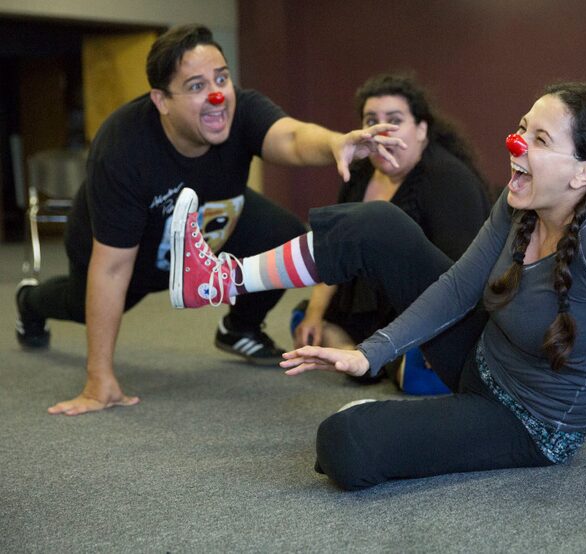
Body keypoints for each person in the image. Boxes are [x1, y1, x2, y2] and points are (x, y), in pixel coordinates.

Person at [169, 82, 586, 520]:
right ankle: (217, 282)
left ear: (585, 172)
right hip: (480, 355)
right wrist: (371, 353)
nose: (517, 146)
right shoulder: (520, 197)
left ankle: (411, 409)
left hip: (528, 424)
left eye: (539, 141)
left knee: (345, 443)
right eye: (521, 129)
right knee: (377, 226)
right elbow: (458, 287)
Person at [14, 24, 404, 416]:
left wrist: (335, 142)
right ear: (161, 100)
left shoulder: (243, 111)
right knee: (85, 306)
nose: (218, 96)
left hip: (209, 222)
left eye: (222, 78)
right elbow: (112, 269)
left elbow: (292, 138)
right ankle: (29, 302)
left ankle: (239, 328)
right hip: (121, 247)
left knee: (281, 233)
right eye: (197, 86)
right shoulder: (122, 147)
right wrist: (99, 380)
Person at [291, 73, 490, 370]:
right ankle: (360, 354)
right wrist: (315, 313)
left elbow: (460, 276)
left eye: (394, 120)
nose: (381, 131)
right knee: (302, 319)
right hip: (363, 298)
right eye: (371, 121)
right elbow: (332, 248)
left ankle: (367, 356)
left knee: (423, 368)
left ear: (422, 129)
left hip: (421, 304)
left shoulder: (448, 180)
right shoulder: (359, 172)